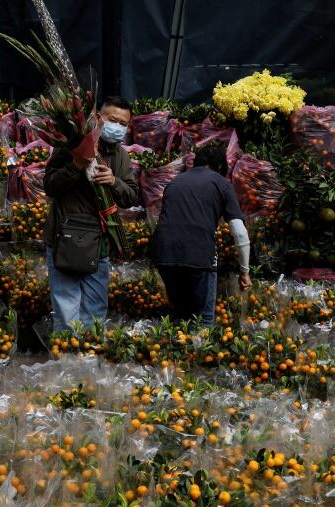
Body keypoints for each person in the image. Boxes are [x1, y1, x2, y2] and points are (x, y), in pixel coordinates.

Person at [44, 96, 140, 331]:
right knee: (67, 311)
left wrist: (114, 181)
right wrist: (76, 165)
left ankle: (89, 358)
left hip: (100, 243)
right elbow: (50, 186)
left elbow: (131, 196)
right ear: (98, 118)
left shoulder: (121, 156)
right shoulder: (71, 144)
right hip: (66, 238)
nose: (118, 127)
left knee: (95, 309)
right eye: (113, 120)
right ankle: (67, 360)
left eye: (123, 124)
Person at [151, 141, 252, 327]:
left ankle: (175, 353)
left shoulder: (175, 181)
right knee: (203, 320)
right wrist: (245, 271)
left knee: (179, 316)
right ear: (221, 166)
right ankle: (199, 352)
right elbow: (239, 233)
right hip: (198, 254)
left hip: (163, 254)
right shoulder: (222, 183)